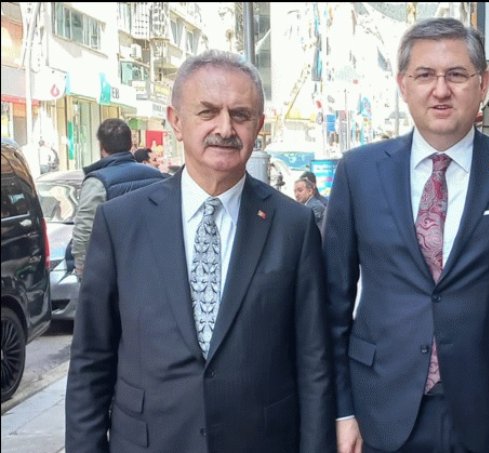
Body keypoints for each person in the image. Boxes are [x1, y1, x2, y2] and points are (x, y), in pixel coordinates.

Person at [66, 50, 335, 452]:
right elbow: (91, 361)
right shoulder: (121, 222)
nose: (225, 128)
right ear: (176, 121)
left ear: (259, 126)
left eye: (240, 115)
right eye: (208, 112)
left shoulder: (293, 226)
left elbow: (314, 363)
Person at [324, 17, 489, 453]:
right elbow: (332, 305)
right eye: (424, 75)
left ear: (483, 83)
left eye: (456, 74)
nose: (440, 90)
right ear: (403, 84)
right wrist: (341, 410)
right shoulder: (358, 172)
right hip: (380, 406)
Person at [70, 119, 165, 277]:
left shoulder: (97, 182)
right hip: (154, 268)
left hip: (115, 273)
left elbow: (85, 231)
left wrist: (83, 270)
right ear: (130, 145)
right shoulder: (157, 176)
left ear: (102, 148)